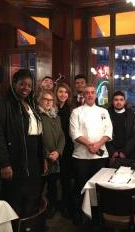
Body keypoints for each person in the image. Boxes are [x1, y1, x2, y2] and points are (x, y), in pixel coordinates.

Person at [0, 69, 43, 218]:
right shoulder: (3, 105)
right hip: (14, 161)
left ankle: (27, 225)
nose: (26, 88)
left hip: (33, 161)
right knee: (14, 201)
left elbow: (38, 134)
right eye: (22, 84)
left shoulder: (31, 104)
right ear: (14, 84)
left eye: (29, 85)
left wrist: (42, 158)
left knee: (31, 198)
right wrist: (4, 163)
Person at [69, 84, 112, 224]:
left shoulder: (103, 112)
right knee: (81, 187)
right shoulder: (76, 112)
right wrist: (88, 145)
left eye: (93, 92)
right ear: (83, 95)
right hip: (81, 156)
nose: (90, 95)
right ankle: (80, 217)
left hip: (100, 156)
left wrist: (98, 145)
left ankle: (98, 217)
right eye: (87, 92)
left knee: (98, 188)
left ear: (96, 95)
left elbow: (108, 131)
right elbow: (74, 133)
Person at [38, 90, 65, 218]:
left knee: (53, 186)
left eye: (51, 100)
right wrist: (47, 154)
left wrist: (58, 152)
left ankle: (51, 208)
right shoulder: (36, 116)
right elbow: (36, 138)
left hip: (55, 158)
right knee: (38, 187)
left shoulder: (57, 117)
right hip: (42, 158)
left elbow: (62, 136)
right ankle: (38, 211)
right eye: (45, 99)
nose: (48, 102)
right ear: (40, 100)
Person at [106, 91, 135, 170]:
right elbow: (103, 134)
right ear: (112, 101)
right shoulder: (107, 114)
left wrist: (124, 151)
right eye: (116, 100)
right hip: (112, 154)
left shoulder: (131, 114)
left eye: (121, 100)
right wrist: (113, 152)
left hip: (129, 154)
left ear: (124, 101)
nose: (119, 102)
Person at [55, 83, 75, 219]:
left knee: (65, 179)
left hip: (67, 148)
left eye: (66, 92)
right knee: (53, 179)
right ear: (56, 93)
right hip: (53, 146)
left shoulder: (71, 109)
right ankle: (53, 204)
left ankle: (66, 205)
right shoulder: (53, 108)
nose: (63, 94)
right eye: (61, 92)